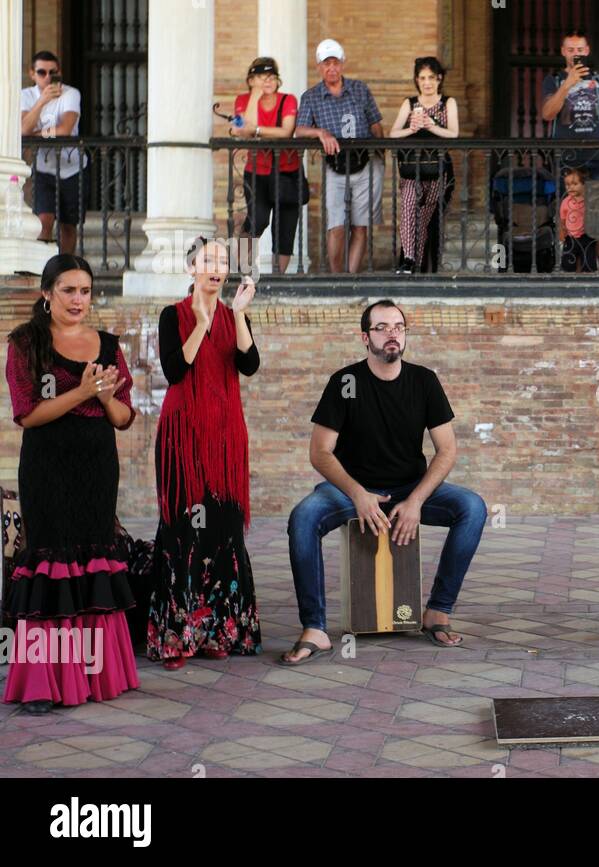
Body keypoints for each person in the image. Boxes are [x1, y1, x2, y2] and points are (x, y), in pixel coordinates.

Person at [283, 300, 487, 664]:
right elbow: (320, 453)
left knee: (472, 507)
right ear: (365, 337)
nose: (392, 334)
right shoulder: (345, 382)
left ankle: (437, 611)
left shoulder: (424, 381)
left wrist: (417, 501)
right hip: (352, 490)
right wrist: (359, 494)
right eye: (382, 327)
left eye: (398, 327)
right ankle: (315, 628)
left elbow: (447, 451)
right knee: (303, 518)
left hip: (409, 488)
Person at [3, 255, 139, 713]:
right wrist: (81, 393)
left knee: (93, 559)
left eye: (85, 291)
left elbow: (123, 417)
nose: (78, 300)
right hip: (47, 468)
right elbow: (28, 414)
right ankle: (44, 683)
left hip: (98, 468)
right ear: (47, 293)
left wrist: (102, 398)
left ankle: (95, 677)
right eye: (68, 290)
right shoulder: (26, 343)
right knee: (51, 562)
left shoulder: (107, 345)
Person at [146, 238, 261, 671]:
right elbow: (175, 369)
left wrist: (240, 314)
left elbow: (249, 365)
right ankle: (177, 636)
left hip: (227, 435)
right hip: (183, 436)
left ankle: (218, 629)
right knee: (183, 529)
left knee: (225, 528)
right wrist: (201, 320)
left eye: (223, 261)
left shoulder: (235, 316)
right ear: (191, 267)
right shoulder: (171, 315)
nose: (217, 267)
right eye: (208, 260)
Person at [295, 39, 385, 273]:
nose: (331, 68)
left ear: (343, 64)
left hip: (365, 163)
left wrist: (380, 155)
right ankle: (336, 278)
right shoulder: (311, 97)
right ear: (318, 67)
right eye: (326, 63)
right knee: (336, 225)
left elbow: (376, 125)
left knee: (360, 225)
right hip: (334, 166)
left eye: (335, 62)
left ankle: (349, 278)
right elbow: (300, 130)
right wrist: (320, 132)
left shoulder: (360, 89)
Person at [229, 57, 302, 274]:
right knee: (257, 220)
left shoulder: (288, 100)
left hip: (287, 170)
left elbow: (286, 131)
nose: (265, 81)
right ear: (251, 80)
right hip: (257, 170)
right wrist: (255, 96)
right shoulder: (243, 100)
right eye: (260, 76)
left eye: (270, 76)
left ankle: (278, 277)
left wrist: (257, 130)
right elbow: (242, 129)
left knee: (286, 226)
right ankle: (237, 268)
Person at [389, 56, 459, 275]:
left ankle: (416, 264)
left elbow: (454, 134)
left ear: (439, 79)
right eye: (422, 78)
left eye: (431, 77)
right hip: (412, 169)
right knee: (409, 206)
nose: (427, 82)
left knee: (425, 217)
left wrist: (431, 125)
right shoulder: (409, 103)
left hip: (438, 170)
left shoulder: (447, 102)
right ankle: (408, 259)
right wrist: (411, 128)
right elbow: (393, 133)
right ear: (416, 80)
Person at [19, 51, 87, 254]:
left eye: (53, 73)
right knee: (43, 221)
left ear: (60, 72)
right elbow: (23, 130)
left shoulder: (70, 93)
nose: (47, 77)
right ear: (32, 73)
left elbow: (65, 130)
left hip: (73, 167)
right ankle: (44, 268)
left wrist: (37, 134)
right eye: (42, 72)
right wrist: (42, 101)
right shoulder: (26, 96)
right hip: (43, 168)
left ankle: (65, 267)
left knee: (68, 224)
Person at [540, 28, 599, 182]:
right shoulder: (554, 80)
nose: (575, 54)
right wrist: (567, 84)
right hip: (566, 159)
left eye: (579, 49)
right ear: (563, 51)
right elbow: (547, 114)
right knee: (567, 205)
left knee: (598, 205)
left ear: (586, 51)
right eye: (571, 50)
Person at [558, 166, 599, 273]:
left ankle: (587, 279)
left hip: (587, 236)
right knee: (568, 262)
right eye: (567, 185)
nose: (571, 188)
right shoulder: (566, 202)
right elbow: (562, 219)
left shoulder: (589, 200)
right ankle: (570, 280)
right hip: (571, 237)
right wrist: (562, 232)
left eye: (575, 184)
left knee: (588, 261)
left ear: (584, 185)